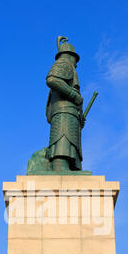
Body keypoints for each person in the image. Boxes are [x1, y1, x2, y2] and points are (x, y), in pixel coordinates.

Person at [46, 36, 85, 172]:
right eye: (75, 59)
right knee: (63, 137)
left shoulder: (67, 65)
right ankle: (60, 165)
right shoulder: (64, 63)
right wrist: (73, 95)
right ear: (70, 56)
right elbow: (52, 79)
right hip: (64, 112)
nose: (76, 64)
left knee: (70, 141)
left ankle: (67, 165)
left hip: (70, 112)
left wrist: (80, 117)